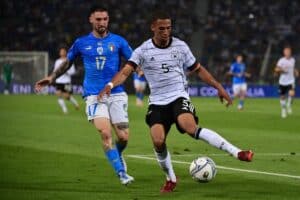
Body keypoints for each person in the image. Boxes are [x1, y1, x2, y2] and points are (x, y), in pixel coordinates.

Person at [99, 11, 254, 193]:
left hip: (178, 96)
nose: (166, 32)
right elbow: (125, 72)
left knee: (189, 127)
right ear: (153, 28)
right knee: (158, 141)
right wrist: (110, 84)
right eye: (162, 28)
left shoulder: (180, 46)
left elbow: (198, 69)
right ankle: (171, 178)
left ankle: (237, 152)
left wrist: (218, 86)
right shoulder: (142, 51)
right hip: (157, 102)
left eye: (169, 28)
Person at [35, 6, 134, 185]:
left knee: (124, 137)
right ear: (91, 19)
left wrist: (141, 69)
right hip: (94, 95)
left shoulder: (118, 41)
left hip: (116, 93)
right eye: (98, 19)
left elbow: (133, 60)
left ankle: (118, 155)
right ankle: (121, 173)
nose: (102, 22)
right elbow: (67, 63)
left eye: (104, 19)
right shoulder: (81, 43)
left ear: (108, 19)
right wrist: (51, 78)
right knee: (105, 133)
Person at [53, 46, 79, 114]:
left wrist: (66, 71)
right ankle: (65, 109)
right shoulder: (57, 61)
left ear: (66, 53)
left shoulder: (69, 61)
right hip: (58, 81)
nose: (62, 52)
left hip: (66, 81)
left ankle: (75, 103)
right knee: (58, 94)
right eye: (61, 51)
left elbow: (73, 72)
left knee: (66, 96)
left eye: (63, 51)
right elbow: (55, 70)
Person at [274, 46, 299, 118]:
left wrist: (296, 71)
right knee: (282, 97)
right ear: (284, 53)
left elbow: (293, 68)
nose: (288, 53)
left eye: (289, 52)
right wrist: (281, 70)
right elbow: (276, 69)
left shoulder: (293, 60)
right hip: (282, 81)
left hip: (291, 80)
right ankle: (283, 110)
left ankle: (289, 105)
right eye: (286, 52)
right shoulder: (281, 60)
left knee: (292, 93)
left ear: (290, 53)